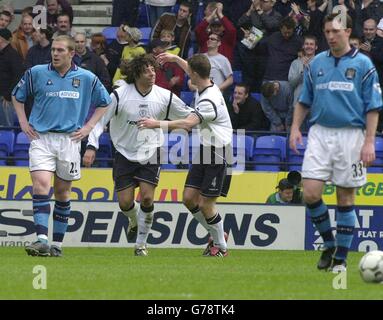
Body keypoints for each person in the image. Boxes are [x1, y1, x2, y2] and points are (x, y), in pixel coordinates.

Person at [289, 13, 382, 273]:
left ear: (348, 31)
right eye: (327, 31)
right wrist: (296, 127)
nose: (330, 36)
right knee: (310, 193)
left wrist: (369, 141)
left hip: (351, 136)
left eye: (335, 31)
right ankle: (329, 244)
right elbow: (304, 100)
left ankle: (340, 258)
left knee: (344, 197)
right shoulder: (317, 62)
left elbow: (373, 107)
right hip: (319, 133)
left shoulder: (364, 64)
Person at [12, 35, 112, 257]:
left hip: (70, 140)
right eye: (53, 50)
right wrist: (22, 121)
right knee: (41, 185)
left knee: (62, 192)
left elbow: (106, 102)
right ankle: (41, 239)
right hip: (41, 138)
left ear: (71, 53)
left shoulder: (86, 77)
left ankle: (56, 244)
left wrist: (89, 127)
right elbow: (16, 96)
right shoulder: (36, 72)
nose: (55, 54)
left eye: (60, 50)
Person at [83, 54, 193, 256]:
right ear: (136, 73)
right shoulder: (119, 94)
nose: (152, 73)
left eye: (153, 68)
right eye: (147, 70)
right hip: (124, 152)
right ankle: (134, 221)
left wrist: (207, 116)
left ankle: (141, 244)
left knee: (148, 199)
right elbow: (100, 121)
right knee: (125, 202)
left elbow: (189, 115)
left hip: (151, 151)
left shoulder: (164, 96)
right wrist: (92, 146)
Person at [139, 52, 233, 257]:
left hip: (219, 152)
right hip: (205, 149)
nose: (187, 74)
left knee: (207, 205)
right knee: (190, 199)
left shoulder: (209, 100)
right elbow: (192, 69)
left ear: (196, 74)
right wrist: (174, 59)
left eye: (189, 71)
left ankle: (220, 248)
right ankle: (217, 235)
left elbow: (188, 124)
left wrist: (156, 124)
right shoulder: (206, 84)